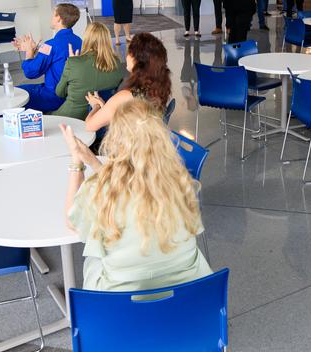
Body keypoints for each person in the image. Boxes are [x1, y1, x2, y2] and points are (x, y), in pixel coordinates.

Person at [61, 98, 212, 292]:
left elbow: (71, 221)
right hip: (190, 298)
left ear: (115, 139)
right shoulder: (182, 182)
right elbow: (135, 184)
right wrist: (93, 162)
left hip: (122, 307)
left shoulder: (100, 190)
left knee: (94, 257)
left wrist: (76, 162)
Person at [85, 32, 172, 132]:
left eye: (128, 53)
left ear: (136, 60)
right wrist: (106, 107)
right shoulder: (157, 89)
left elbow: (89, 126)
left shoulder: (125, 97)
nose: (126, 57)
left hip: (126, 146)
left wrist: (95, 106)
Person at [14, 3, 82, 112]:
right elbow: (55, 59)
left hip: (53, 96)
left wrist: (29, 51)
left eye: (53, 15)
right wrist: (36, 50)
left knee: (16, 95)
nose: (51, 18)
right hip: (72, 94)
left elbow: (31, 73)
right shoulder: (78, 40)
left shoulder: (51, 45)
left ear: (59, 18)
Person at [53, 21, 125, 120]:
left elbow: (59, 93)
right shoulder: (117, 63)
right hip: (101, 119)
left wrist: (69, 63)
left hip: (70, 118)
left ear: (86, 39)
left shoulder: (73, 63)